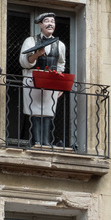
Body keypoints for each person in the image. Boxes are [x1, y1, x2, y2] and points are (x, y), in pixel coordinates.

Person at [19, 10, 66, 146]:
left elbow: (61, 64)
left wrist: (60, 85)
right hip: (33, 79)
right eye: (47, 21)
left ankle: (45, 142)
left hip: (51, 81)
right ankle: (36, 141)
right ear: (40, 24)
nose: (50, 24)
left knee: (48, 112)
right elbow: (24, 61)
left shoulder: (60, 45)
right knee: (34, 111)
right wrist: (37, 54)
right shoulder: (31, 41)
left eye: (52, 21)